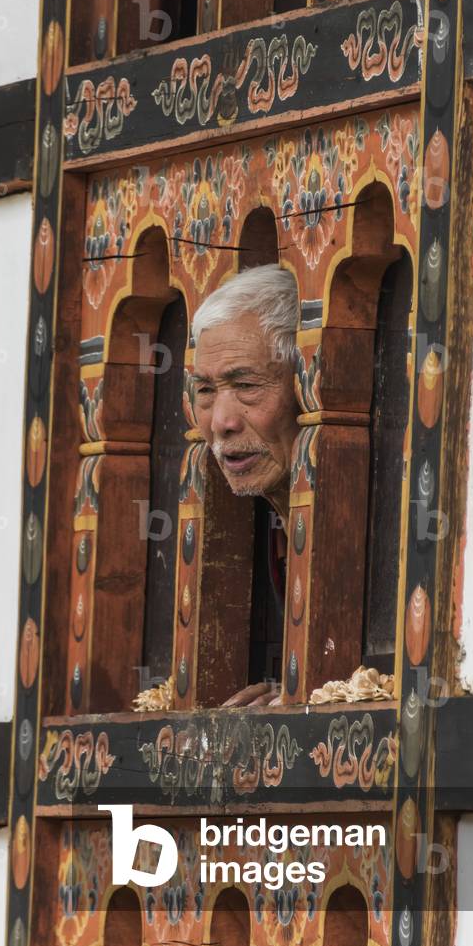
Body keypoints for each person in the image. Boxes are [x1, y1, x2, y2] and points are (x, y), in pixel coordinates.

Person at [189, 264, 301, 707]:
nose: (222, 422)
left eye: (247, 386)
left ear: (309, 384)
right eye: (205, 390)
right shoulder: (267, 529)